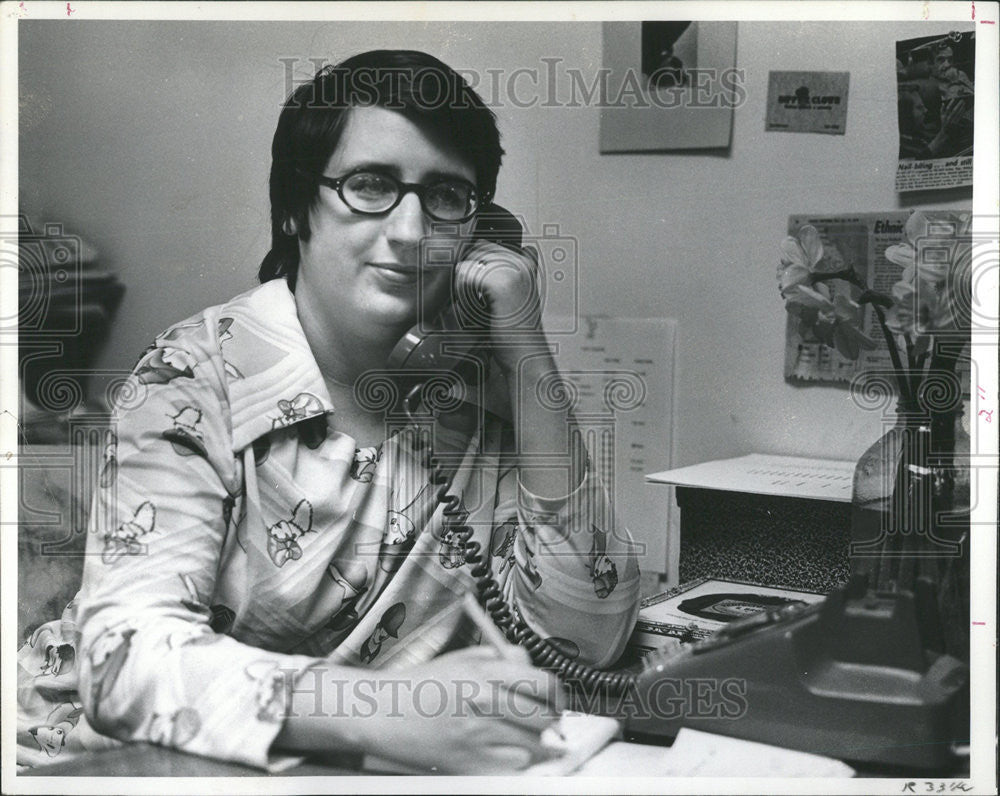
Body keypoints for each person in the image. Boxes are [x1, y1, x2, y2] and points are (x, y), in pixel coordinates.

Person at [16, 50, 641, 775]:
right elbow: (126, 660)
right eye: (370, 185)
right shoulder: (192, 377)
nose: (411, 231)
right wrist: (382, 712)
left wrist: (527, 354)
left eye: (446, 196)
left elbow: (584, 642)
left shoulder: (476, 393)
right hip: (110, 766)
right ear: (294, 208)